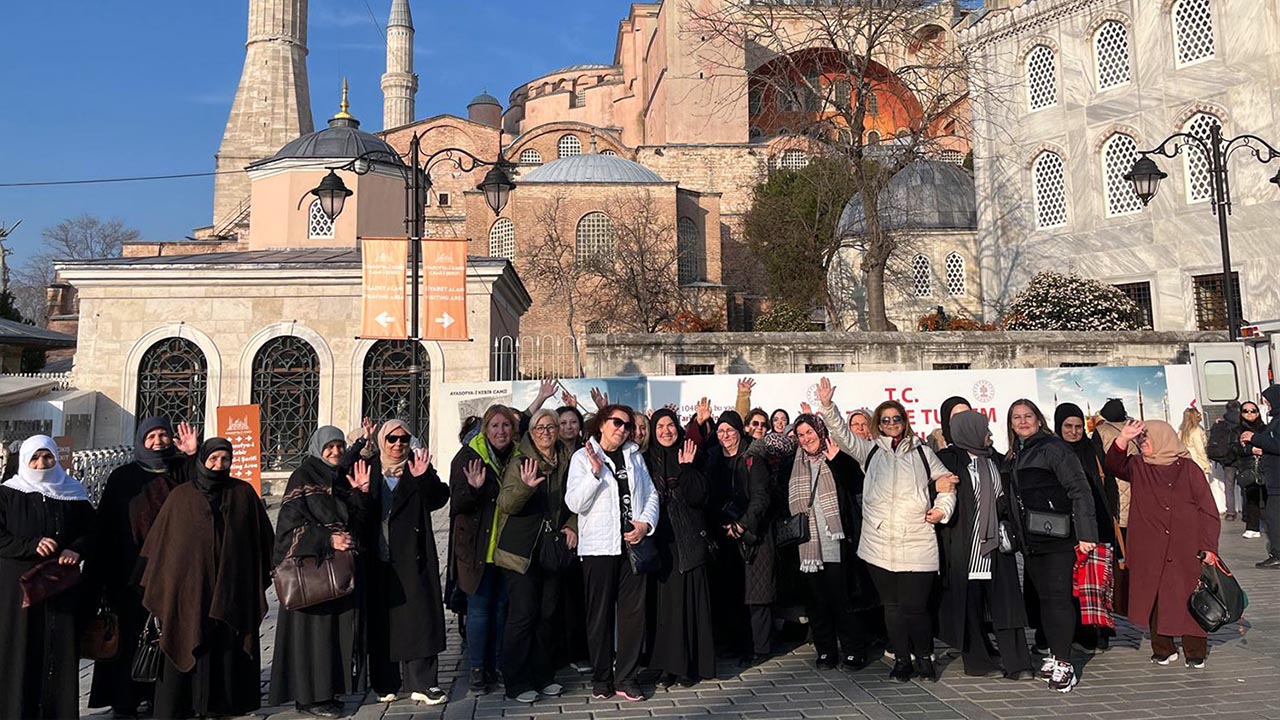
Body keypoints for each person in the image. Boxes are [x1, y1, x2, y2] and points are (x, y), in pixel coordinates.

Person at [815, 378, 957, 682]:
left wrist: (942, 509)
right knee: (891, 608)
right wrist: (827, 406)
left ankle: (925, 658)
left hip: (917, 540)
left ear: (905, 422)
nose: (891, 423)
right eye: (885, 419)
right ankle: (902, 661)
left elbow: (947, 484)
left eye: (896, 419)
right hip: (879, 542)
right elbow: (841, 433)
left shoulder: (922, 453)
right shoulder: (871, 452)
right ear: (879, 424)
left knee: (916, 608)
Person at [139, 437, 274, 719]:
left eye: (225, 460)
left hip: (231, 591)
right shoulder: (181, 497)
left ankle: (219, 707)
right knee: (187, 641)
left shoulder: (242, 493)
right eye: (213, 459)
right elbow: (163, 548)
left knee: (224, 653)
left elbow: (261, 541)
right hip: (188, 592)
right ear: (202, 460)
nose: (218, 465)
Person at [87, 418, 197, 718]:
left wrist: (192, 455)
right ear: (141, 440)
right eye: (152, 436)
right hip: (130, 573)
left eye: (163, 435)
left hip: (173, 573)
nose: (159, 441)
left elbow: (206, 489)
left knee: (167, 637)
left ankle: (160, 696)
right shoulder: (123, 477)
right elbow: (107, 526)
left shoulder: (181, 471)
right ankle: (125, 700)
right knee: (131, 638)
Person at [268, 427, 370, 717]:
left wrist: (360, 493)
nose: (336, 452)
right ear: (317, 448)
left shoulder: (340, 477)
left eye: (339, 446)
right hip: (311, 572)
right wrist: (327, 539)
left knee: (334, 635)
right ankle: (309, 698)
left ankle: (328, 692)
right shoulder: (303, 476)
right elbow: (287, 529)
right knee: (311, 638)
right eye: (330, 447)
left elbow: (358, 521)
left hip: (338, 572)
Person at [1107, 420, 1221, 667]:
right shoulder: (1138, 466)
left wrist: (1209, 546)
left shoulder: (1188, 469)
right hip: (1149, 545)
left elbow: (1208, 510)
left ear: (1163, 438)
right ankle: (1163, 648)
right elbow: (1113, 465)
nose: (1142, 443)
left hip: (1185, 545)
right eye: (1140, 439)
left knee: (1190, 594)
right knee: (1154, 597)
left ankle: (1195, 650)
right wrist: (1123, 439)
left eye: (1146, 438)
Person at [566, 404, 659, 702]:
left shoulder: (634, 456)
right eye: (617, 423)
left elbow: (651, 494)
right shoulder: (583, 457)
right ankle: (601, 677)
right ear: (602, 424)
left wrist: (646, 523)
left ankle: (627, 677)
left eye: (627, 425)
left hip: (632, 544)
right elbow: (574, 504)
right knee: (599, 616)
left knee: (633, 615)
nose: (622, 429)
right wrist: (594, 474)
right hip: (599, 548)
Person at [1005, 399, 1098, 693]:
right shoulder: (1015, 454)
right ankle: (1055, 653)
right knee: (1046, 599)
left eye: (1028, 416)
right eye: (1016, 417)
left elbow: (1080, 491)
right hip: (1033, 541)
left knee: (1057, 600)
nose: (1022, 421)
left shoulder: (1054, 448)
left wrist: (1086, 535)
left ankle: (1064, 663)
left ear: (1038, 419)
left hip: (1059, 538)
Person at [0, 435, 95, 720]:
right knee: (18, 649)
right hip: (18, 589)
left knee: (59, 649)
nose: (42, 464)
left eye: (48, 457)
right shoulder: (7, 494)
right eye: (35, 458)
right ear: (25, 461)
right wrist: (30, 545)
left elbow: (93, 532)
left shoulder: (72, 492)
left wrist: (75, 549)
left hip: (59, 587)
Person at [359, 420, 451, 704]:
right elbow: (355, 510)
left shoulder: (416, 465)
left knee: (419, 619)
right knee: (381, 620)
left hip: (413, 556)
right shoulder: (369, 468)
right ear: (381, 440)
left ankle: (423, 683)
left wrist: (423, 478)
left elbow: (438, 498)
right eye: (392, 439)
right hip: (377, 558)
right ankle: (385, 682)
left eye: (404, 439)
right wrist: (360, 493)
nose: (398, 445)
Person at [936, 411, 1032, 680]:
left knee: (1006, 604)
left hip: (997, 547)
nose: (988, 432)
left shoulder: (997, 459)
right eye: (983, 428)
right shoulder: (948, 461)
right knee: (970, 606)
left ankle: (1018, 663)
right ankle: (978, 662)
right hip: (964, 547)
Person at [494, 409, 577, 703]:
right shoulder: (521, 462)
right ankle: (516, 680)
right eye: (540, 427)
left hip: (550, 550)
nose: (546, 431)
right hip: (522, 553)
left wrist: (571, 525)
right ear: (531, 432)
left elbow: (574, 501)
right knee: (523, 615)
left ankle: (543, 675)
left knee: (546, 614)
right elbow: (506, 504)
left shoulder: (566, 460)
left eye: (551, 426)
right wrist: (526, 489)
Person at [787, 413, 873, 672]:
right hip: (807, 546)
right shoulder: (794, 463)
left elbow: (857, 485)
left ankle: (853, 650)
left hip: (837, 540)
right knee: (816, 600)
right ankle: (825, 650)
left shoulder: (837, 454)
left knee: (841, 599)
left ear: (820, 431)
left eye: (810, 433)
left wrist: (837, 461)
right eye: (801, 435)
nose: (806, 439)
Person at [644, 408, 716, 688]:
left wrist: (686, 469)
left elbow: (700, 496)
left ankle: (687, 666)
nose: (665, 431)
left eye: (670, 425)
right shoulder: (645, 459)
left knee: (686, 606)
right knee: (664, 609)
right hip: (658, 543)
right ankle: (665, 666)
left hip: (686, 541)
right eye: (660, 426)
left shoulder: (689, 452)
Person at [450, 405, 519, 694]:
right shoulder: (468, 456)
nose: (501, 431)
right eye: (495, 426)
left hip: (507, 549)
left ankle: (499, 663)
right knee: (479, 610)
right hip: (476, 547)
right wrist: (475, 489)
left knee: (503, 608)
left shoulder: (518, 456)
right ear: (485, 429)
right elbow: (457, 504)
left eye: (505, 426)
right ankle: (478, 669)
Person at [699, 407, 775, 666]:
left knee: (756, 594)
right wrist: (723, 526)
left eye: (730, 430)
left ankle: (759, 647)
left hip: (754, 534)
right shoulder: (714, 460)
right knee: (732, 592)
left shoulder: (753, 457)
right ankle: (735, 643)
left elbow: (761, 498)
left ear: (739, 431)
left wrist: (742, 525)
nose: (725, 435)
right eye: (720, 431)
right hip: (725, 535)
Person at [1053, 403, 1119, 654]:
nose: (1073, 432)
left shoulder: (1093, 449)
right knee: (1075, 584)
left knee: (1097, 583)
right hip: (1067, 527)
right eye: (1068, 426)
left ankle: (1098, 635)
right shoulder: (1054, 451)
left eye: (1078, 426)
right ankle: (1077, 634)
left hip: (1098, 523)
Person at [1244, 385, 1280, 568]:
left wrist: (1254, 438)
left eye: (1267, 401)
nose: (1266, 405)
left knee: (1273, 517)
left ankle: (1278, 554)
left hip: (1277, 479)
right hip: (1274, 478)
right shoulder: (1275, 420)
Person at [1233, 401, 1267, 539]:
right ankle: (1252, 527)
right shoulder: (1237, 430)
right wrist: (1249, 450)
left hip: (1265, 466)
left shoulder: (1265, 428)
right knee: (1251, 497)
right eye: (1245, 411)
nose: (1249, 413)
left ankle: (1271, 525)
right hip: (1248, 467)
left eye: (1253, 410)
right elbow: (1234, 448)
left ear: (1258, 413)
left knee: (1268, 496)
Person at [1180, 407, 1217, 511]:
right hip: (1197, 463)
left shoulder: (1181, 431)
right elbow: (1200, 450)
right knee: (1201, 489)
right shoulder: (1196, 431)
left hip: (1185, 463)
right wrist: (1206, 465)